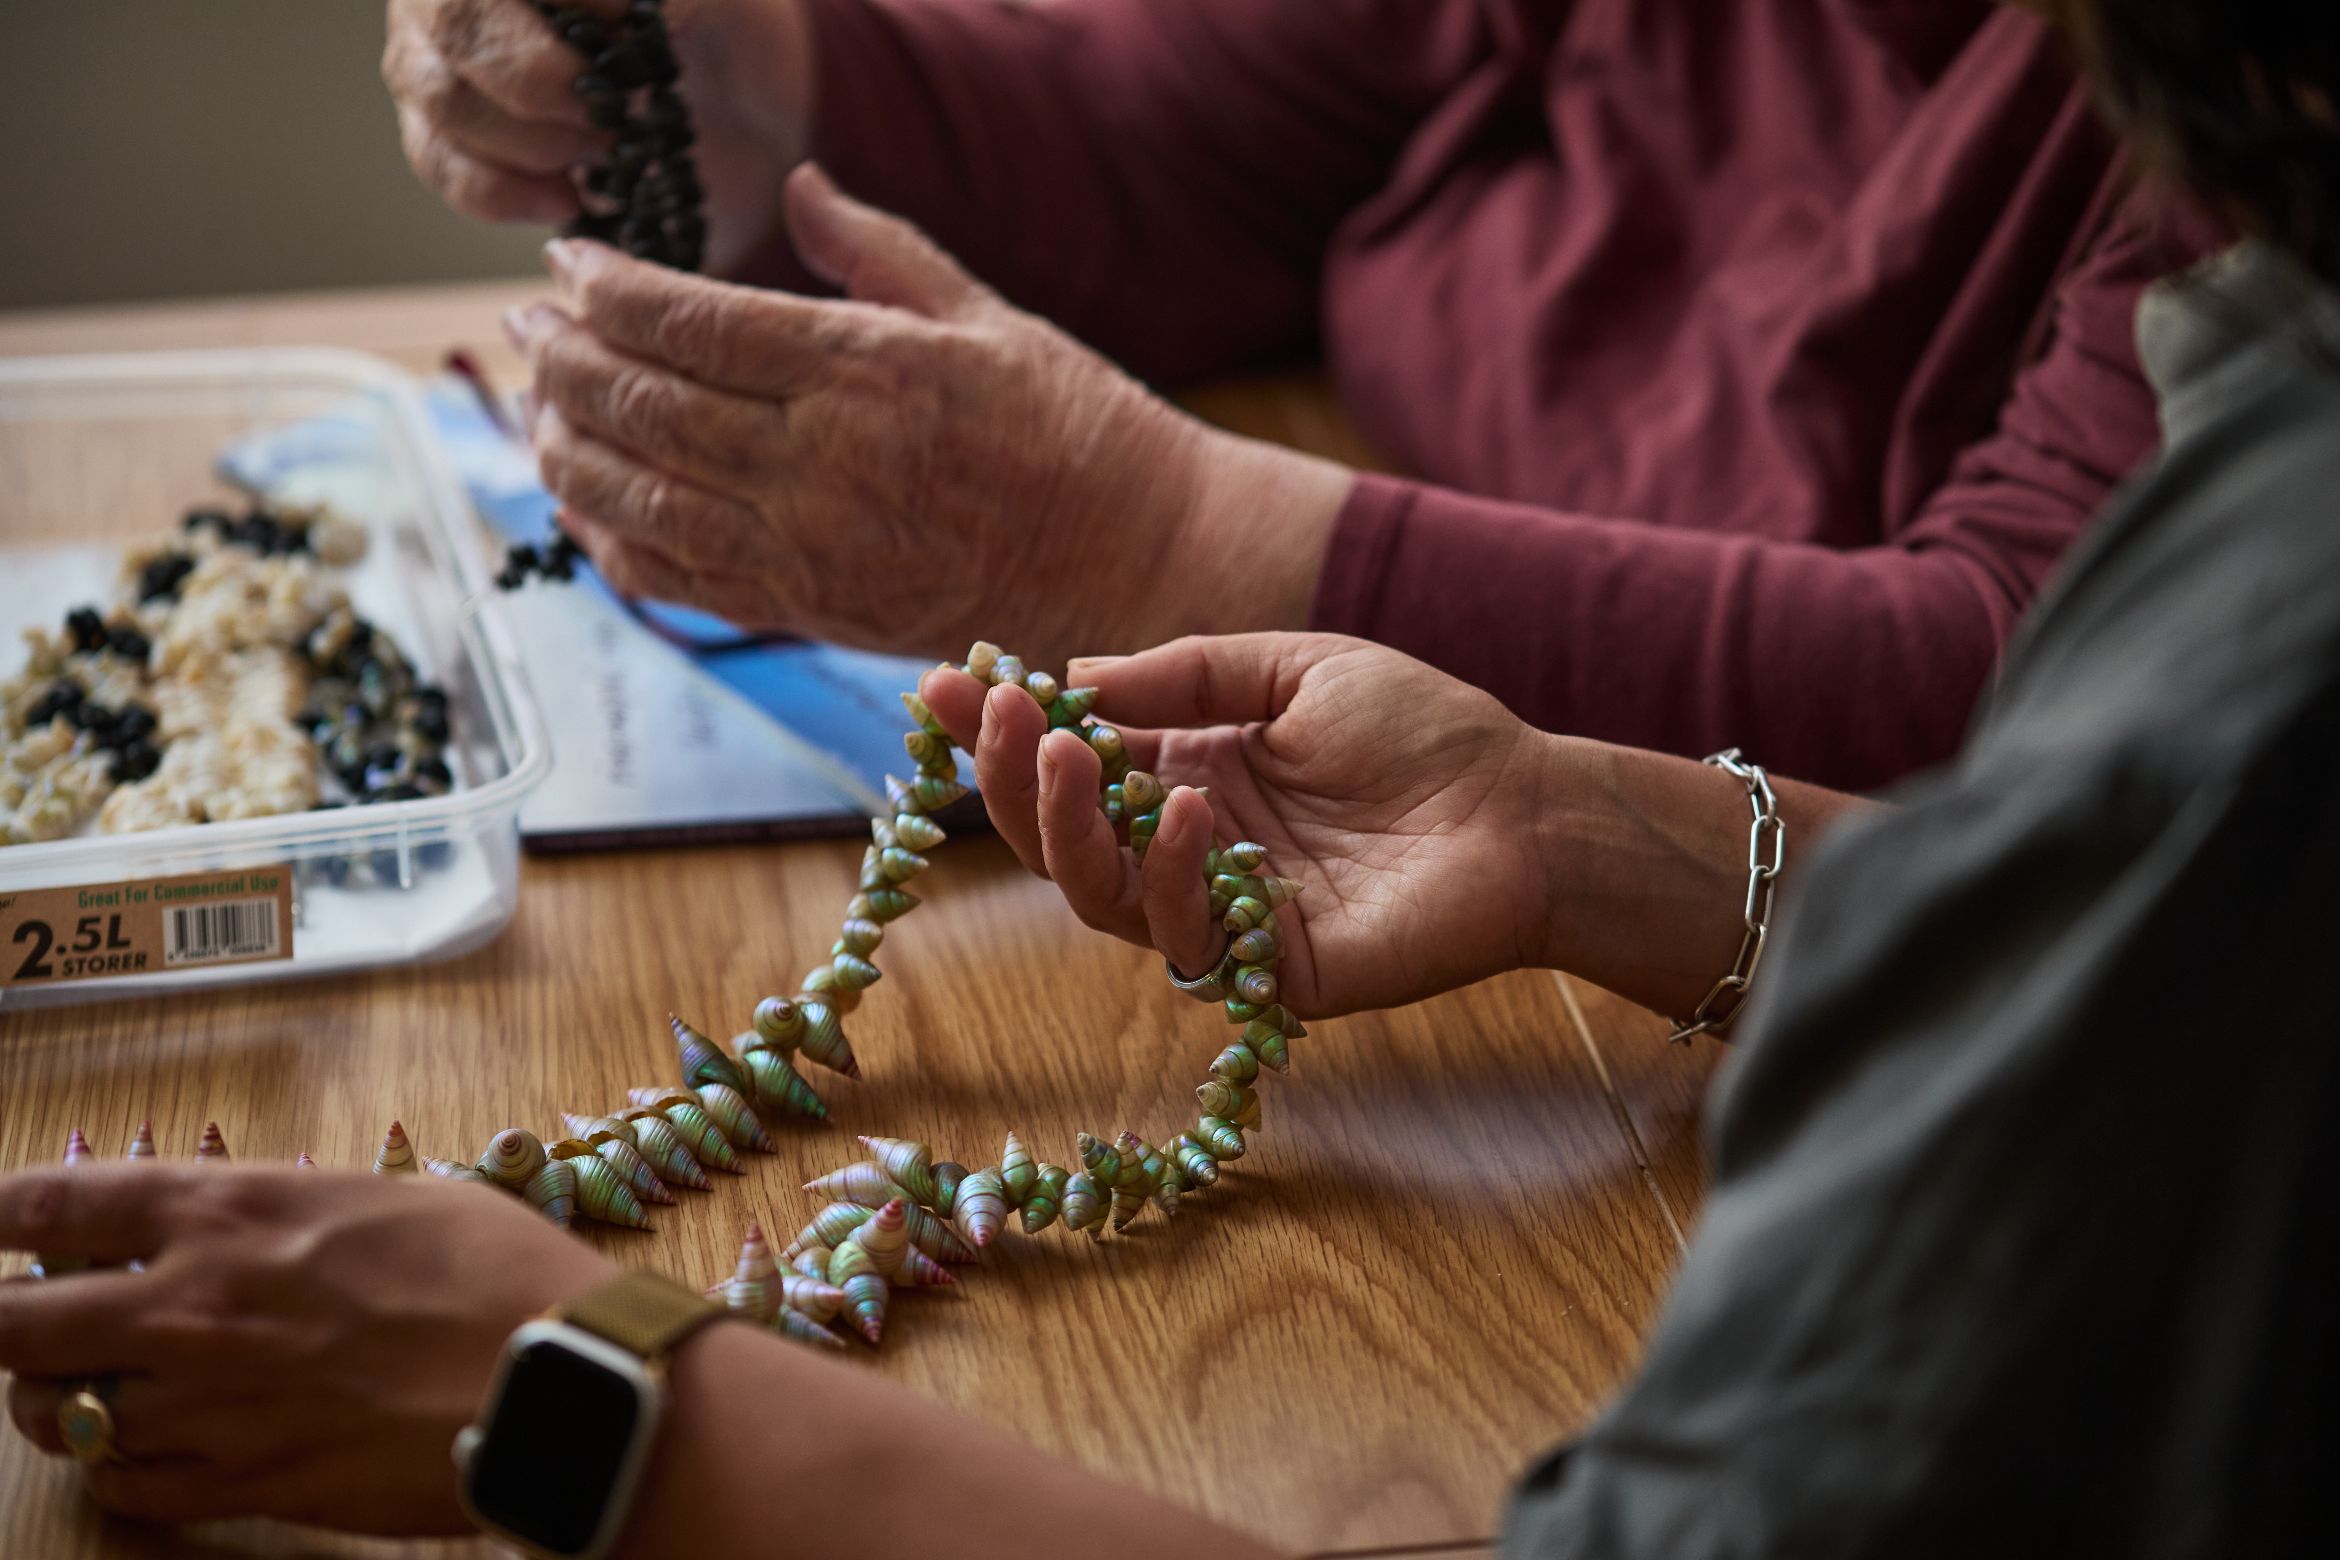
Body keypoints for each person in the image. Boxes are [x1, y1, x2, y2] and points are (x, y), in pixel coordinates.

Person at [4, 0, 2335, 1553]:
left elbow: (2076, 719)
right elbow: (1213, 115)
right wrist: (1639, 840)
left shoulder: (2254, 646)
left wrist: (590, 1402)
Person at [386, 0, 2195, 791]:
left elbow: (2039, 687)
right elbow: (1194, 132)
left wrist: (1165, 538)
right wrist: (741, 70)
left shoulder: (2250, 110)